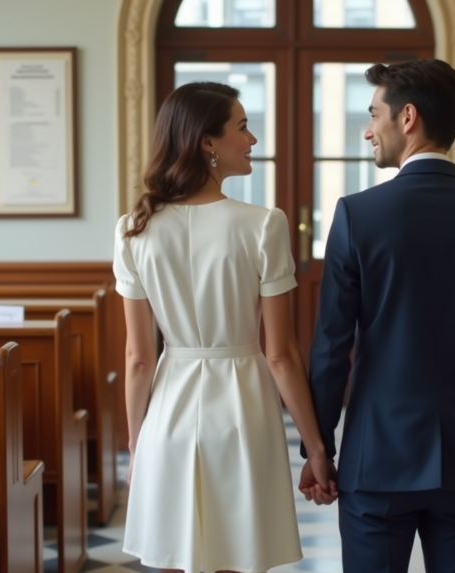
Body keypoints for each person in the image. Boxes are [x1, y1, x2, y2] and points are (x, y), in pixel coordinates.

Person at [298, 59, 455, 572]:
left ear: (407, 118)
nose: (368, 130)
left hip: (377, 459)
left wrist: (318, 448)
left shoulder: (357, 215)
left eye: (373, 115)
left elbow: (330, 351)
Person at [114, 81, 335, 573]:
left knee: (175, 556)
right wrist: (316, 448)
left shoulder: (133, 229)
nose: (252, 139)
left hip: (168, 413)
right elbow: (279, 354)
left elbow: (138, 358)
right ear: (207, 143)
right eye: (242, 127)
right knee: (240, 555)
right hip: (243, 410)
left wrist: (137, 444)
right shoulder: (263, 224)